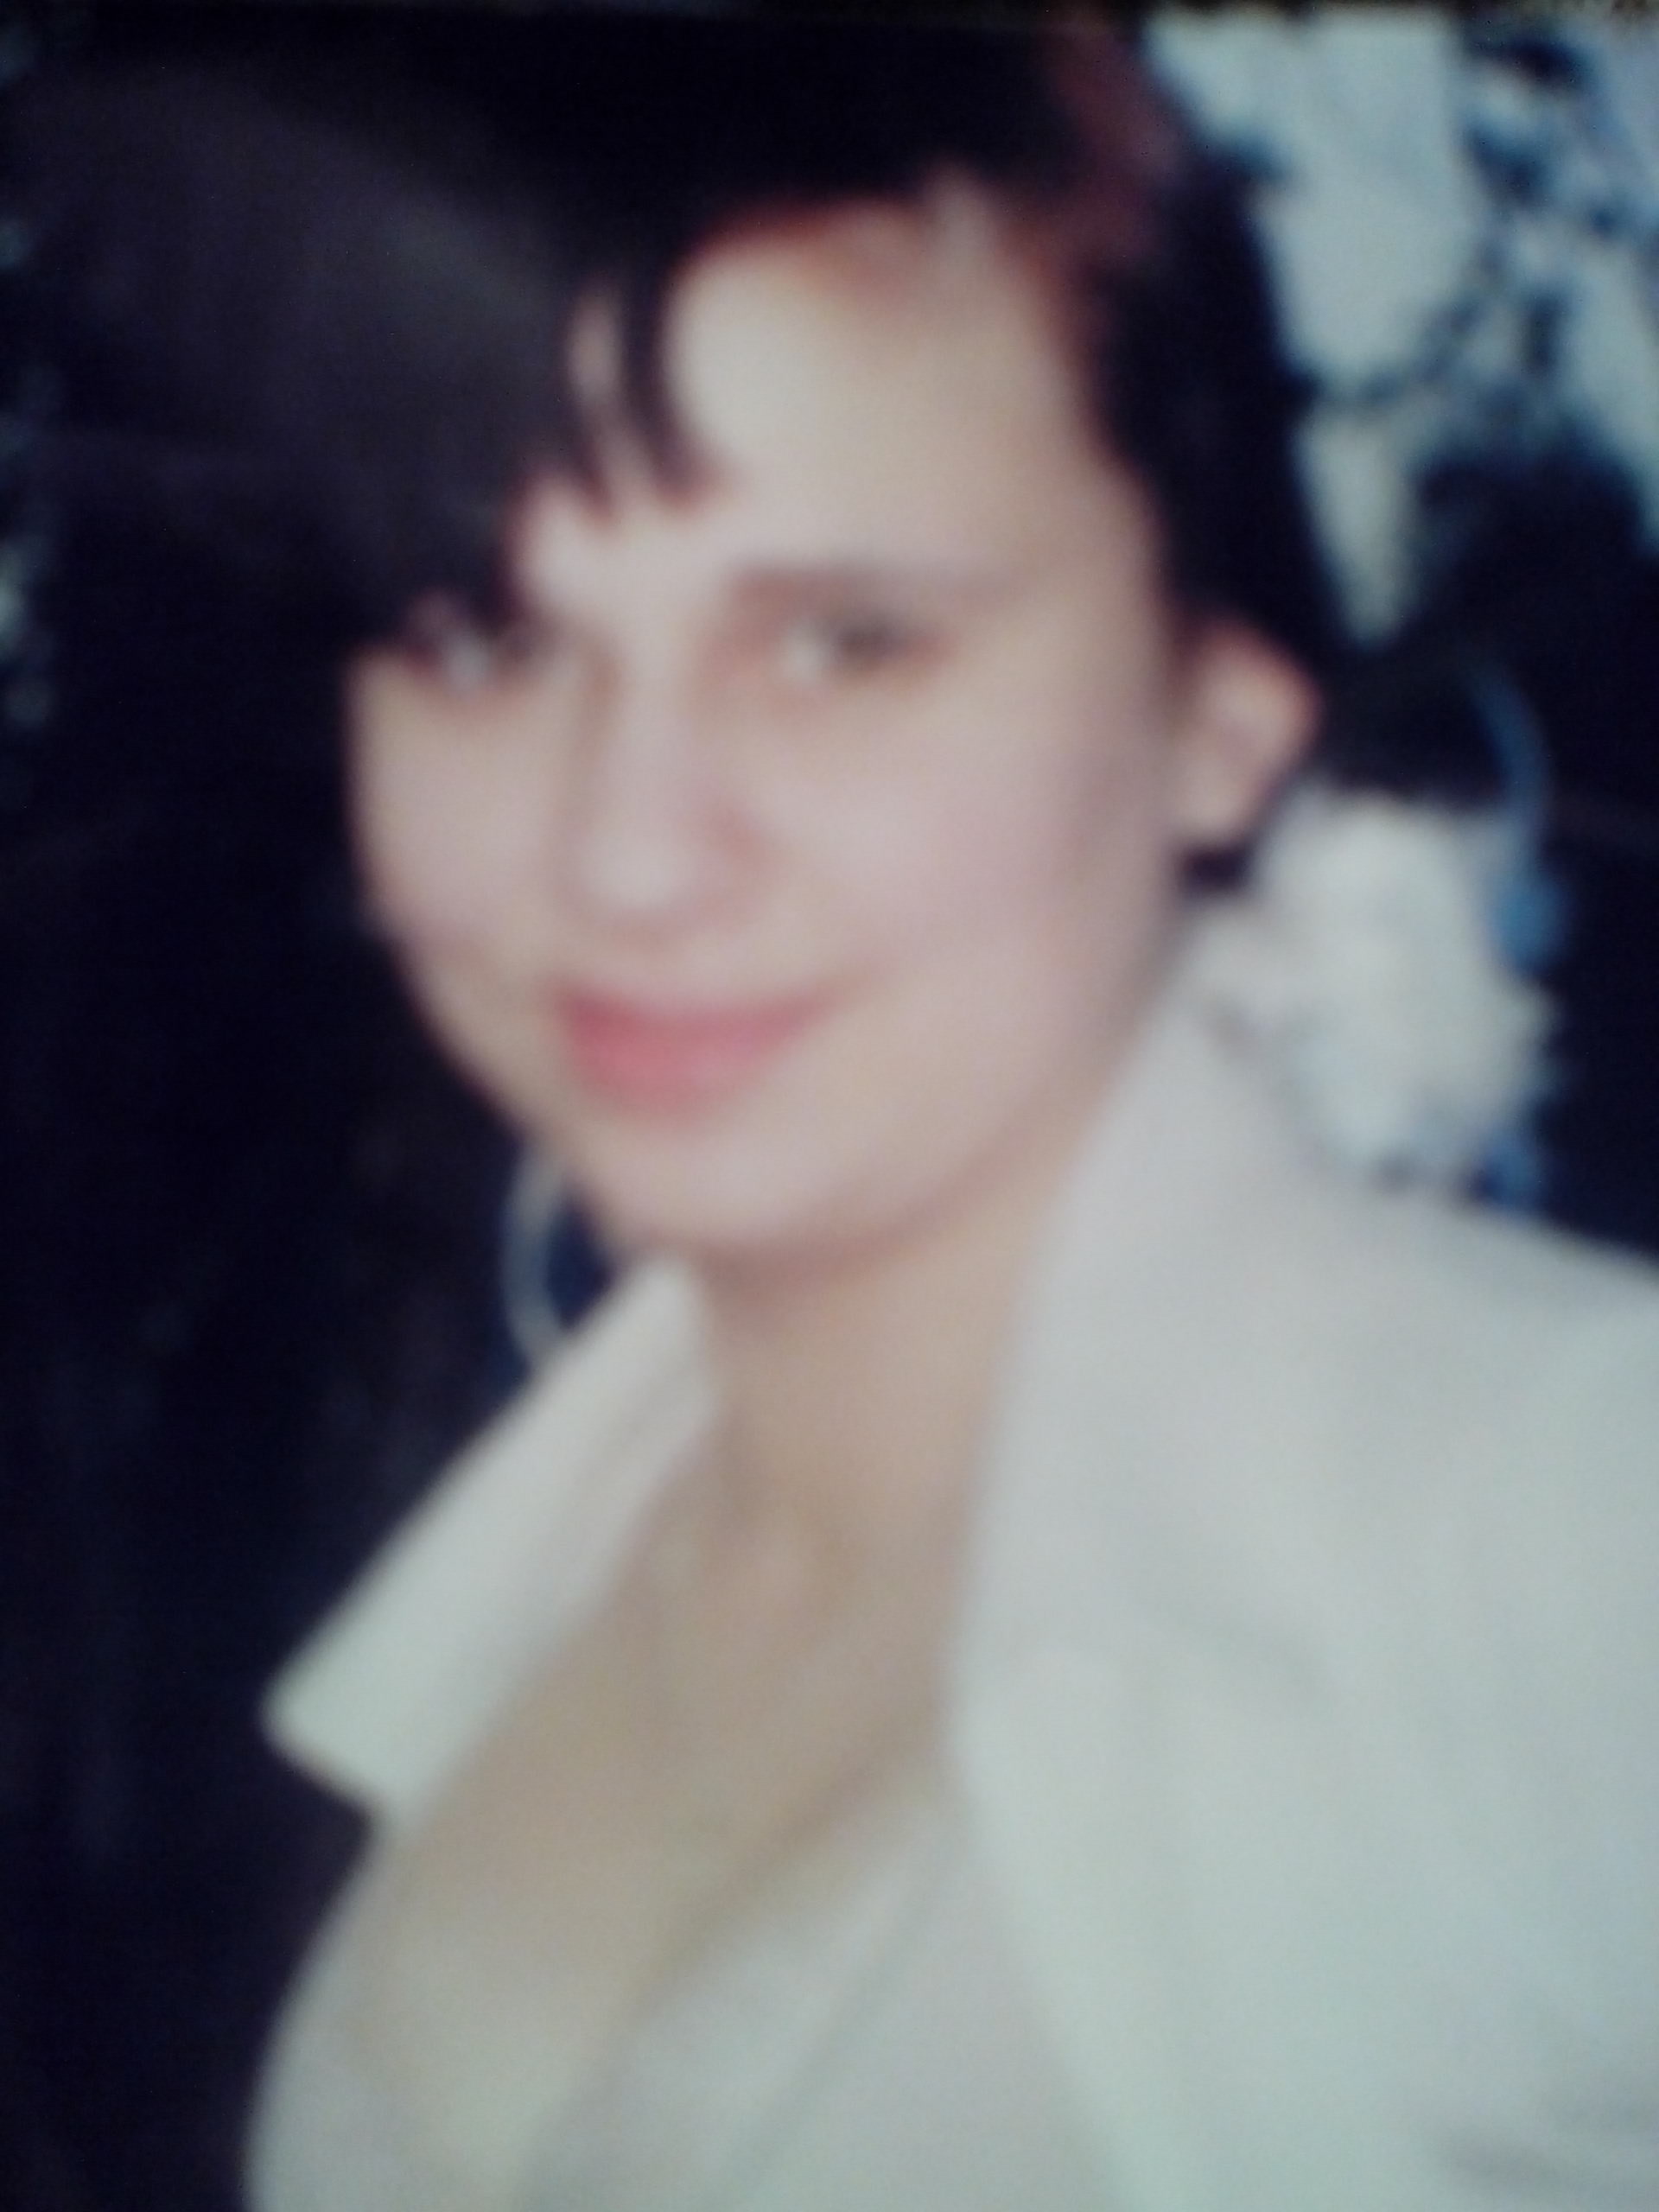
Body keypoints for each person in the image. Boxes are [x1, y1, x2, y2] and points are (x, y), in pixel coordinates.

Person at [22, 15, 1659, 2209]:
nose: (626, 855)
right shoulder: (482, 1576)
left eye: (845, 643)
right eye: (488, 639)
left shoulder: (1563, 1533)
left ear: (1217, 715)